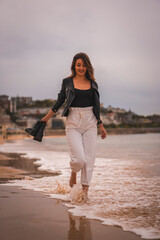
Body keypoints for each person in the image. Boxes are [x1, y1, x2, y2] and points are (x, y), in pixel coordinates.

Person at [41, 52, 107, 196]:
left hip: (90, 122)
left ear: (88, 67)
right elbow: (59, 102)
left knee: (89, 160)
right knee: (79, 159)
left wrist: (101, 125)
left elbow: (96, 107)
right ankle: (73, 171)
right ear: (74, 66)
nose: (81, 68)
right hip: (73, 121)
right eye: (78, 65)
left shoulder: (93, 84)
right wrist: (46, 118)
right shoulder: (67, 82)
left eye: (84, 65)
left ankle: (84, 194)